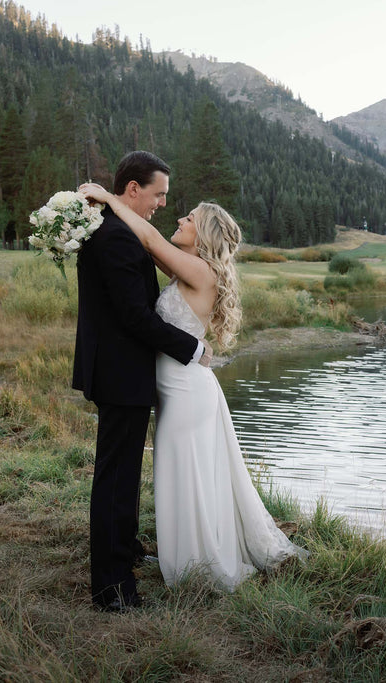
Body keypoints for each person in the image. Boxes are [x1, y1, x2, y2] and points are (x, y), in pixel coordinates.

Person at [78, 182, 307, 590]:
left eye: (190, 219)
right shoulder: (190, 266)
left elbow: (147, 237)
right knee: (183, 472)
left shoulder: (199, 270)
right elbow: (145, 247)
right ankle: (190, 557)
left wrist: (111, 199)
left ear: (203, 235)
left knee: (189, 474)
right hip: (176, 385)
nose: (180, 219)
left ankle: (201, 565)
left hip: (185, 389)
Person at [72, 151, 209, 612]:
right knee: (116, 479)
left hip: (119, 371)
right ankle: (113, 589)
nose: (162, 205)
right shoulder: (116, 238)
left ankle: (125, 552)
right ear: (133, 190)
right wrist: (193, 349)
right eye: (158, 195)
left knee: (123, 476)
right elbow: (134, 318)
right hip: (120, 373)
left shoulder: (114, 229)